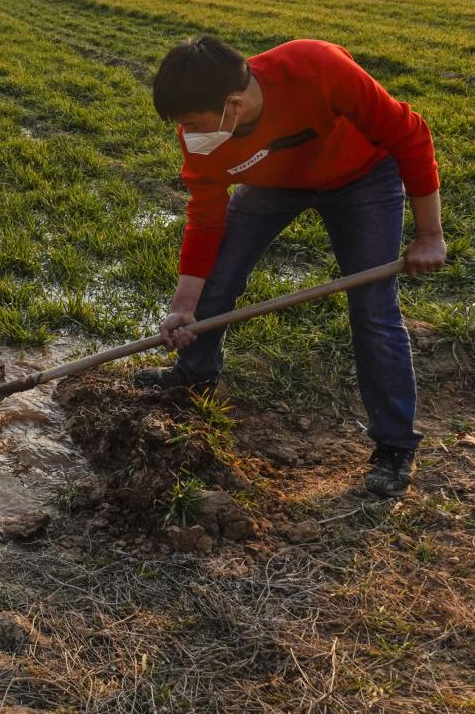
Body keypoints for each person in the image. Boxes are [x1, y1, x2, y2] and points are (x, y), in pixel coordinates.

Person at [132, 36, 447, 497]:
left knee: (373, 311)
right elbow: (205, 216)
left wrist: (429, 235)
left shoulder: (315, 69)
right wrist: (183, 305)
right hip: (272, 186)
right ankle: (193, 374)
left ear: (234, 104)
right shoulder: (202, 137)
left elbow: (410, 134)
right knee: (216, 283)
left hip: (361, 179)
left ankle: (395, 444)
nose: (188, 133)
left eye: (194, 122)